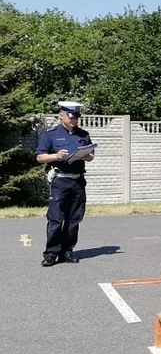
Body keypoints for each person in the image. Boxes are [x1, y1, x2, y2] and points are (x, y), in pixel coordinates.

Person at [36, 101, 95, 267]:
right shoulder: (51, 135)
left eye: (76, 117)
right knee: (55, 218)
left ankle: (67, 251)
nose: (74, 120)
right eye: (71, 117)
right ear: (61, 116)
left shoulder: (83, 134)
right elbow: (40, 157)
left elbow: (91, 156)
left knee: (74, 218)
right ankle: (51, 254)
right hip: (60, 180)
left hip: (77, 181)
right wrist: (56, 156)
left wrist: (85, 156)